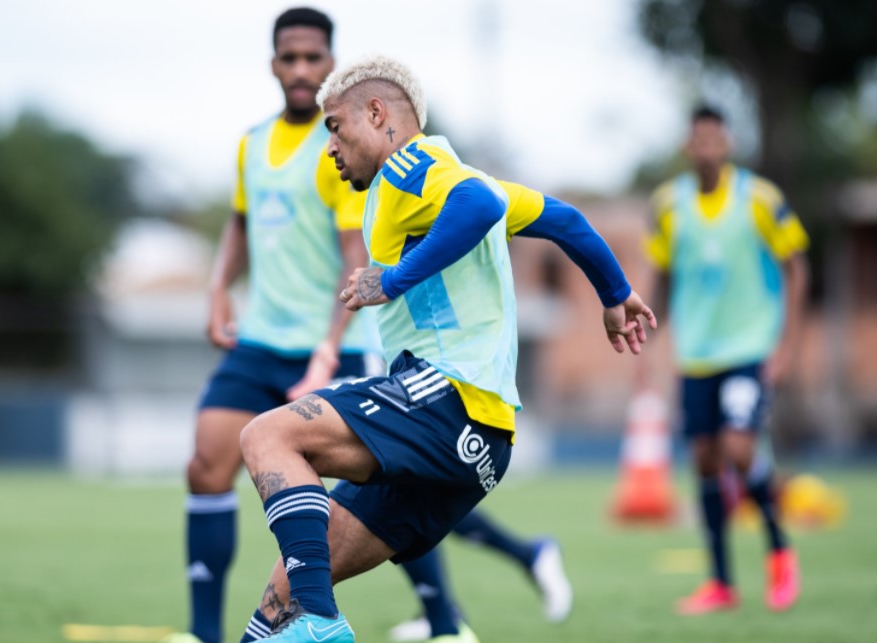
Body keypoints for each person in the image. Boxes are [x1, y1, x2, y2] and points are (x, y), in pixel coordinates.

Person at [170, 10, 563, 643]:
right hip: (265, 339)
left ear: (333, 67)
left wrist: (346, 328)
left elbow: (373, 251)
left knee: (333, 459)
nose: (300, 69)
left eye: (311, 58)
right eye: (288, 58)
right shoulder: (254, 144)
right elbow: (240, 224)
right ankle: (213, 631)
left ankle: (432, 621)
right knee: (213, 472)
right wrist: (217, 287)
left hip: (354, 346)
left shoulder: (373, 159)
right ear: (273, 65)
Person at [233, 54, 654, 643]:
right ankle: (308, 617)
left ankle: (320, 622)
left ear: (378, 114)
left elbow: (479, 208)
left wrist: (393, 278)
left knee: (266, 436)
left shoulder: (412, 164)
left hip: (448, 398)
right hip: (481, 439)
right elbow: (563, 218)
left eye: (335, 127)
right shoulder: (445, 179)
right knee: (280, 600)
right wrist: (616, 292)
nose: (329, 146)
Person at [641, 105, 808, 615]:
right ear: (688, 147)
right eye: (699, 140)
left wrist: (786, 347)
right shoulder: (668, 205)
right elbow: (663, 276)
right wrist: (647, 335)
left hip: (748, 350)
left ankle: (780, 551)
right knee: (705, 462)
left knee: (739, 448)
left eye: (715, 138)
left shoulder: (759, 198)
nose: (707, 148)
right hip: (695, 356)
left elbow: (797, 267)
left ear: (727, 143)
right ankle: (720, 583)